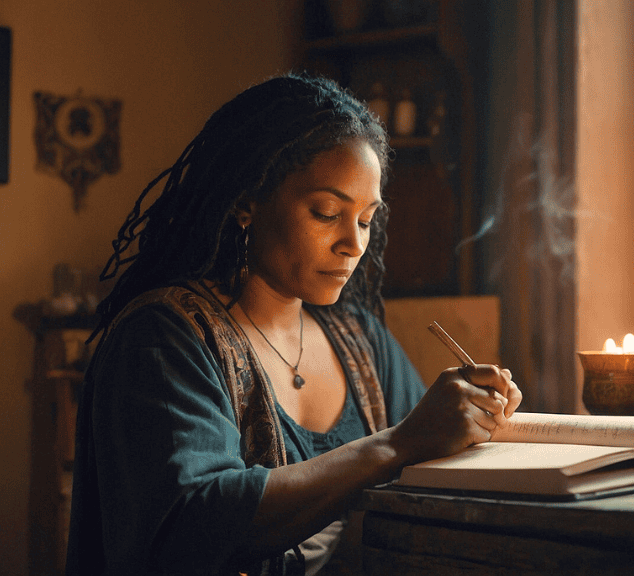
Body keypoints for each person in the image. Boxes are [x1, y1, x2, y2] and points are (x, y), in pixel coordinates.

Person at [66, 73, 522, 575]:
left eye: (367, 220)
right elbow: (194, 522)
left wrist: (472, 421)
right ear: (247, 202)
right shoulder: (162, 339)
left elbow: (429, 463)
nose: (353, 243)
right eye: (326, 212)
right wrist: (397, 442)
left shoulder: (360, 341)